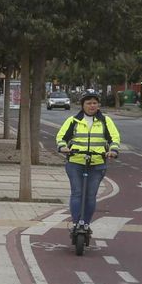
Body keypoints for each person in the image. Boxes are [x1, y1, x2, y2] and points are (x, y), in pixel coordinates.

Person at [55, 93, 121, 232]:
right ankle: (76, 224)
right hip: (75, 162)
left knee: (91, 195)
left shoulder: (105, 121)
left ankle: (85, 224)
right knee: (77, 193)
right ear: (82, 105)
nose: (92, 106)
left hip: (97, 163)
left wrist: (113, 150)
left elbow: (114, 138)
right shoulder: (73, 120)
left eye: (94, 103)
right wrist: (63, 147)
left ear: (98, 105)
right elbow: (61, 137)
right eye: (89, 103)